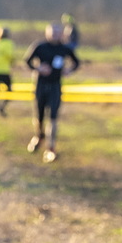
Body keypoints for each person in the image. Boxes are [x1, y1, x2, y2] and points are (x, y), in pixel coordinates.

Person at [24, 22, 80, 163]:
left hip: (55, 85)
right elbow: (27, 61)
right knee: (39, 115)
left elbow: (76, 62)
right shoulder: (40, 46)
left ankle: (51, 147)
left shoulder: (64, 48)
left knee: (53, 116)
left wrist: (69, 70)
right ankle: (38, 136)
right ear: (47, 33)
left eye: (57, 33)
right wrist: (38, 68)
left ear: (61, 34)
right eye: (52, 32)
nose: (55, 35)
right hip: (41, 85)